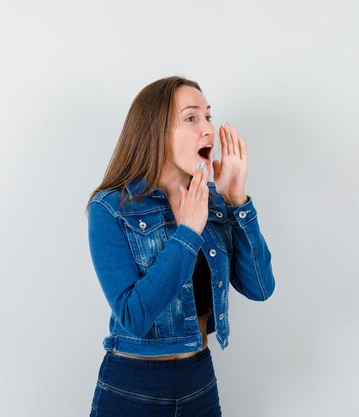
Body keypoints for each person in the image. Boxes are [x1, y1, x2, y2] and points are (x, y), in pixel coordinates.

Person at [85, 75, 276, 416]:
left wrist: (236, 202)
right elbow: (133, 316)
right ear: (155, 132)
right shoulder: (111, 208)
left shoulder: (214, 203)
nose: (208, 129)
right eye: (191, 118)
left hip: (199, 381)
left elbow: (260, 288)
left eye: (208, 116)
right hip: (134, 388)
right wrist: (187, 233)